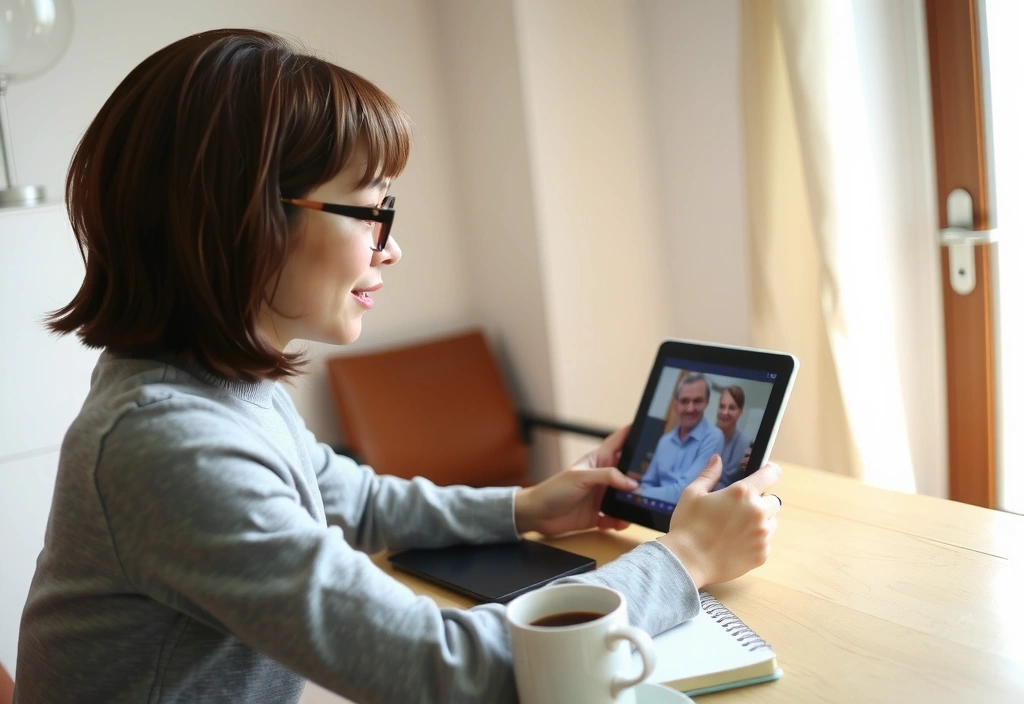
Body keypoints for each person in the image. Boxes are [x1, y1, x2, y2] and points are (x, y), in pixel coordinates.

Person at [13, 30, 782, 704]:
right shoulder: (166, 445)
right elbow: (444, 672)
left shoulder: (211, 386)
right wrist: (687, 559)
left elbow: (347, 493)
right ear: (249, 216)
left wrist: (527, 509)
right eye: (373, 210)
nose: (393, 246)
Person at [637, 373, 726, 503]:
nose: (690, 408)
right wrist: (643, 492)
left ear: (706, 403)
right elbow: (648, 482)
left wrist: (641, 493)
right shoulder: (665, 440)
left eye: (697, 401)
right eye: (685, 401)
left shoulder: (714, 437)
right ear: (676, 405)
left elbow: (684, 493)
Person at [714, 385, 754, 490]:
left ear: (740, 411)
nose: (724, 412)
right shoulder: (703, 436)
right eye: (722, 406)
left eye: (731, 408)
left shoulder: (745, 445)